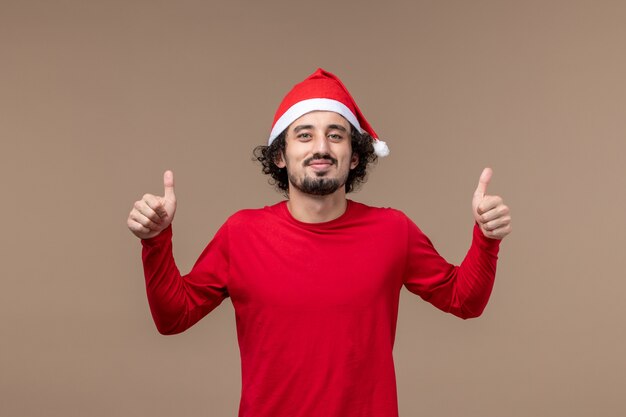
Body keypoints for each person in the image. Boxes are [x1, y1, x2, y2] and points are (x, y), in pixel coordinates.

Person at [126, 68, 512, 417]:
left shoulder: (393, 230)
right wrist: (156, 240)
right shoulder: (241, 233)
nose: (321, 147)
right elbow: (173, 317)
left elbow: (465, 300)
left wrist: (486, 237)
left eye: (336, 135)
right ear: (281, 155)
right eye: (304, 135)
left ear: (355, 156)